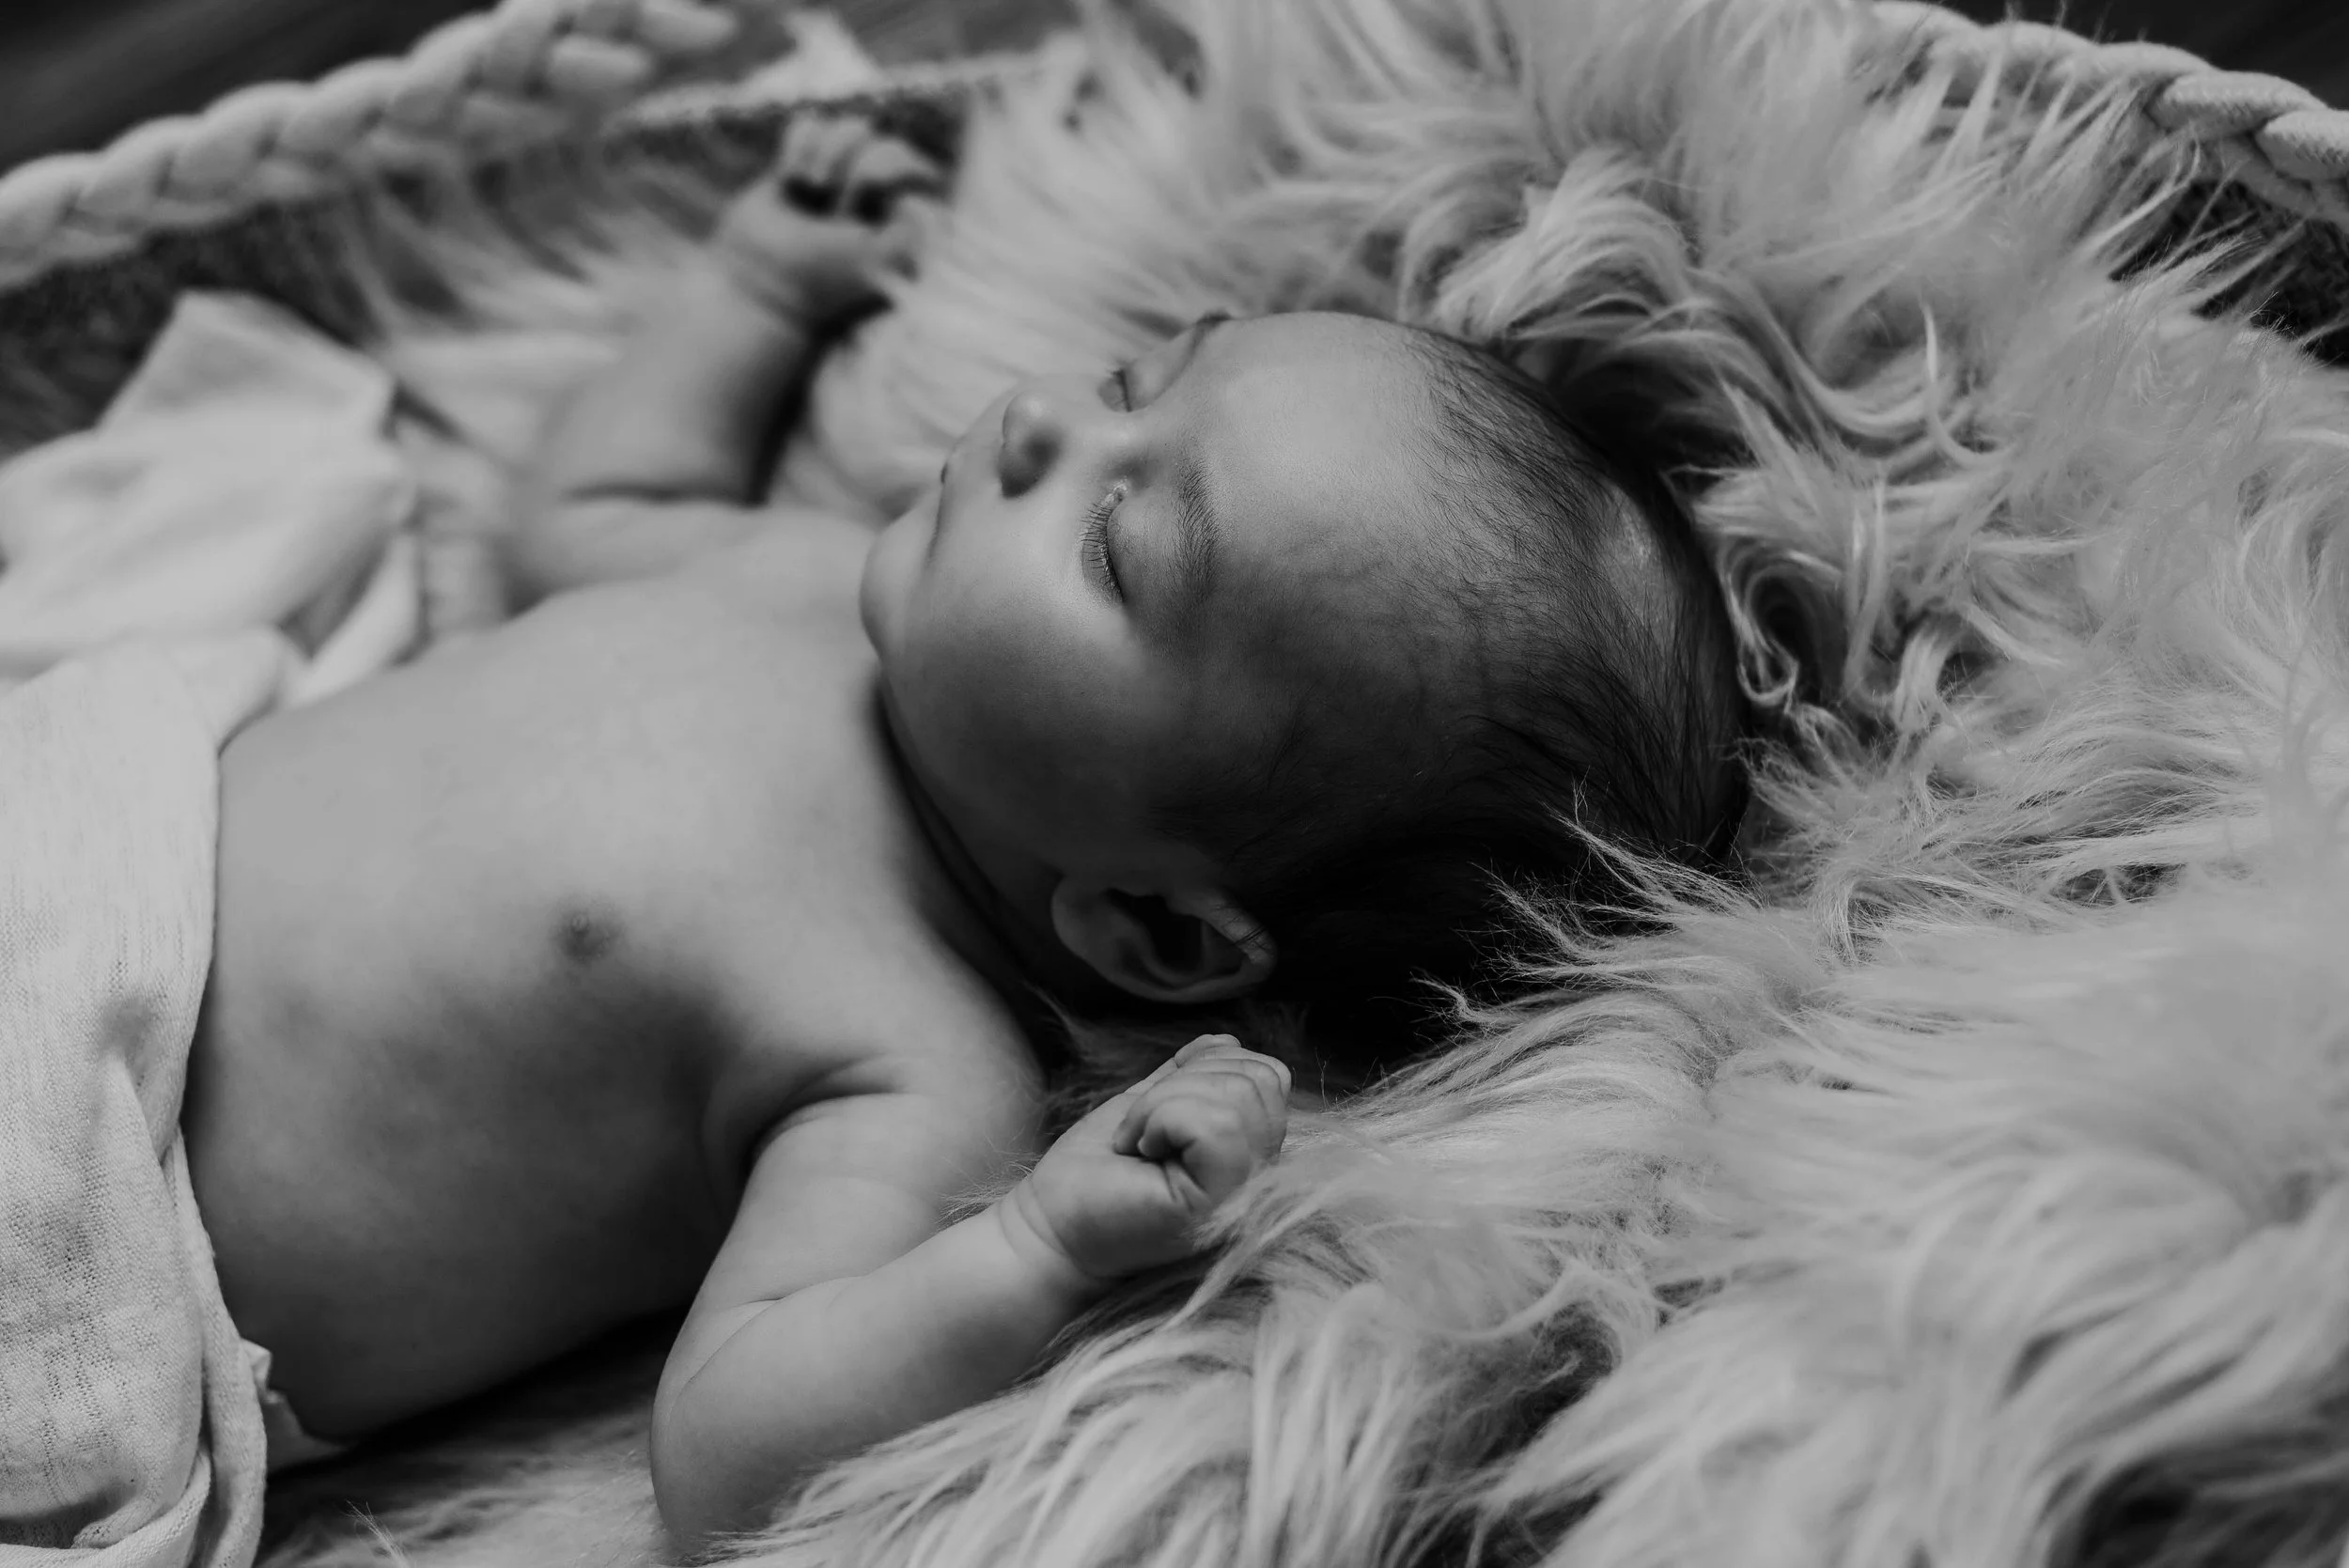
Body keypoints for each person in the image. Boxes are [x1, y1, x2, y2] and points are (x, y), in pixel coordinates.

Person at [181, 114, 1746, 1550]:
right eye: (1136, 381)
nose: (1031, 425)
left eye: (1117, 542)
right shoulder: (809, 574)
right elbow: (589, 506)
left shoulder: (909, 1052)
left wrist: (1039, 1256)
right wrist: (750, 292)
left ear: (1162, 930)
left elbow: (729, 1451)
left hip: (103, 1188)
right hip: (97, 824)